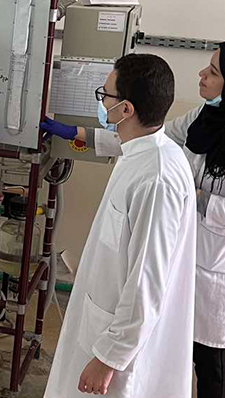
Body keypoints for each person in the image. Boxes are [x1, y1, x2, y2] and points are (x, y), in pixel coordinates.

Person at [42, 41, 225, 397]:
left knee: (212, 372)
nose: (202, 75)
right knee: (166, 357)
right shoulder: (205, 117)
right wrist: (78, 134)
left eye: (214, 72)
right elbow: (148, 134)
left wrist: (199, 199)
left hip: (216, 272)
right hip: (178, 255)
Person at [44, 54, 197, 397]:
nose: (102, 102)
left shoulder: (157, 178)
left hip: (120, 351)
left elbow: (147, 279)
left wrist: (109, 358)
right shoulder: (139, 152)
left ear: (126, 110)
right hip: (102, 319)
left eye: (105, 96)